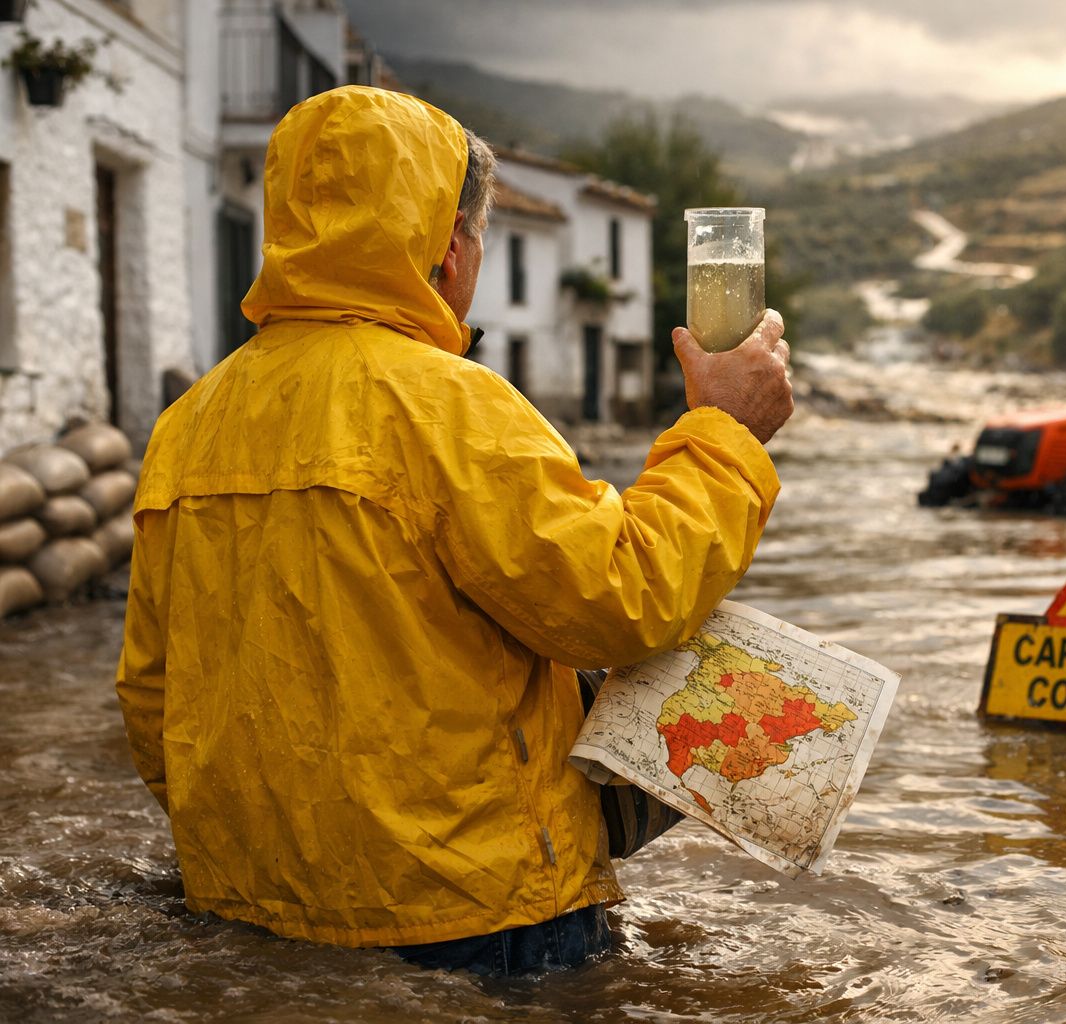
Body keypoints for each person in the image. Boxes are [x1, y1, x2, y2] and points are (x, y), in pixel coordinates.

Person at [114, 85, 792, 976]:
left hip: (258, 910)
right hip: (477, 917)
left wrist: (266, 853)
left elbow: (151, 697)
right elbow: (621, 600)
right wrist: (726, 434)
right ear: (447, 246)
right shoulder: (449, 406)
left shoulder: (189, 423)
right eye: (479, 235)